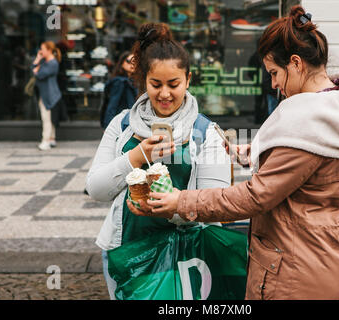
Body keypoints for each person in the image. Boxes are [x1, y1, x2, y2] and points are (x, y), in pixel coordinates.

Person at [130, 5, 339, 300]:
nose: (274, 84)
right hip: (335, 261)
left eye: (275, 73)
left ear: (296, 64)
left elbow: (254, 197)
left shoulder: (311, 121)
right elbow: (315, 170)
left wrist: (179, 201)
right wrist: (260, 151)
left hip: (298, 273)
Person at [85, 22, 232, 300]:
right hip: (125, 250)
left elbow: (217, 208)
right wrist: (137, 156)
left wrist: (171, 209)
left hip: (184, 255)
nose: (164, 94)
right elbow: (95, 189)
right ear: (144, 81)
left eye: (173, 84)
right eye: (156, 84)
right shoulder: (122, 125)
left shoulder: (206, 133)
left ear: (188, 79)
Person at [32, 41, 66, 151]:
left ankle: (46, 141)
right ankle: (51, 138)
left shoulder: (52, 63)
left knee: (47, 119)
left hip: (50, 96)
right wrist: (37, 61)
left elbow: (39, 74)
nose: (41, 51)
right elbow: (33, 69)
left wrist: (36, 69)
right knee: (49, 118)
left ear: (49, 50)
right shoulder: (45, 62)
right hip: (47, 95)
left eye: (42, 49)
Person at [100, 51, 138, 129]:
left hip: (130, 123)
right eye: (128, 61)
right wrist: (108, 126)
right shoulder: (119, 82)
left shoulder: (133, 81)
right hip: (121, 124)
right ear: (122, 63)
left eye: (135, 61)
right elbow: (112, 105)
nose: (132, 64)